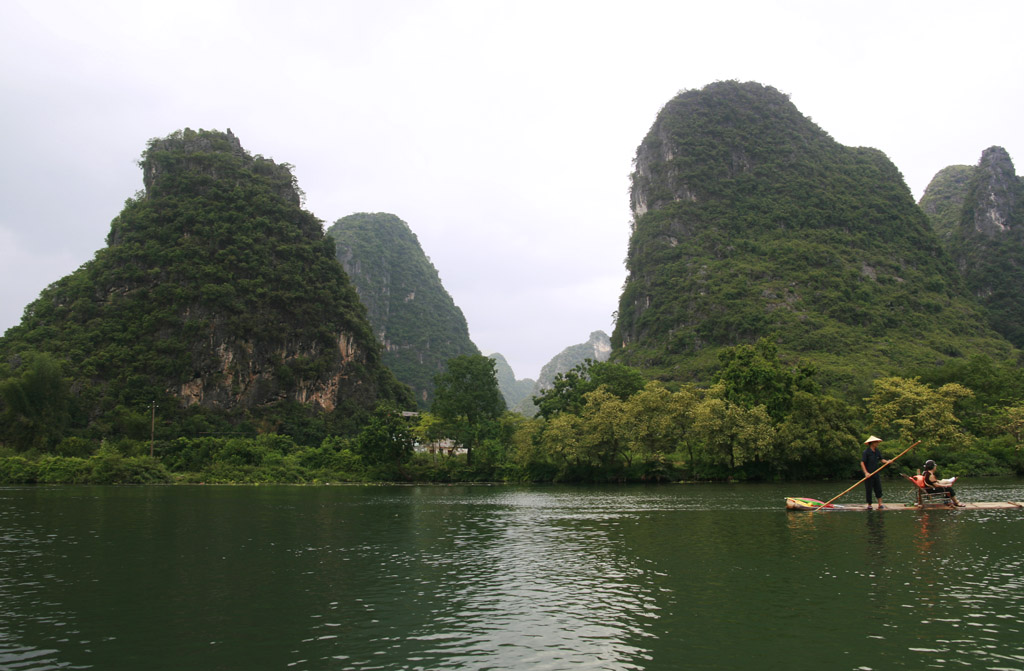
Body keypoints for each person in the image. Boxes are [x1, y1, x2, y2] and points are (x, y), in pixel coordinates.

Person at [861, 436, 890, 509]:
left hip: (876, 473)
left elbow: (881, 459)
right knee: (869, 489)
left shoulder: (877, 451)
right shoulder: (866, 452)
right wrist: (866, 472)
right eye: (876, 442)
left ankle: (880, 504)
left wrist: (887, 462)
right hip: (869, 474)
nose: (877, 443)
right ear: (872, 443)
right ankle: (869, 504)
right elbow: (862, 462)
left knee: (878, 488)